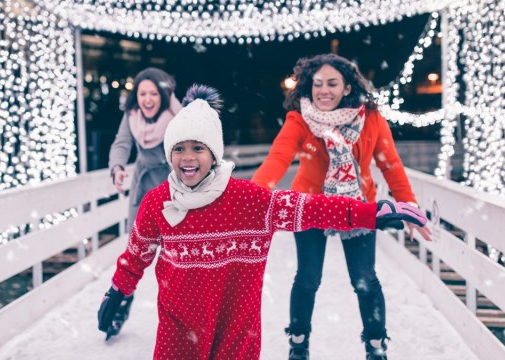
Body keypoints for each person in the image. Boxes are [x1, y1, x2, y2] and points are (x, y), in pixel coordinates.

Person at [97, 84, 430, 360]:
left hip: (236, 332)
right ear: (170, 155)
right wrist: (118, 290)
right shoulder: (157, 203)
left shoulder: (248, 200)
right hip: (178, 332)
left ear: (213, 154)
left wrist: (371, 214)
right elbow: (137, 254)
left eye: (198, 147)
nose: (188, 156)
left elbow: (310, 208)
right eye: (179, 148)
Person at [251, 53, 432, 360]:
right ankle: (298, 342)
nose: (324, 90)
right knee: (308, 279)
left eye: (332, 83)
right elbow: (278, 158)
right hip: (310, 207)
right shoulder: (299, 119)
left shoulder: (371, 118)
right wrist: (251, 197)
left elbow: (391, 165)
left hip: (358, 206)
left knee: (364, 280)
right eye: (317, 83)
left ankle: (376, 346)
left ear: (347, 88)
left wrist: (408, 207)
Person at [105, 67, 182, 339]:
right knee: (135, 254)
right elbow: (121, 143)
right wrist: (117, 168)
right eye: (142, 93)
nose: (147, 99)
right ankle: (120, 306)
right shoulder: (132, 116)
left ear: (163, 95)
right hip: (143, 190)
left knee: (176, 259)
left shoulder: (177, 117)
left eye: (153, 93)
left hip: (174, 191)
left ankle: (179, 316)